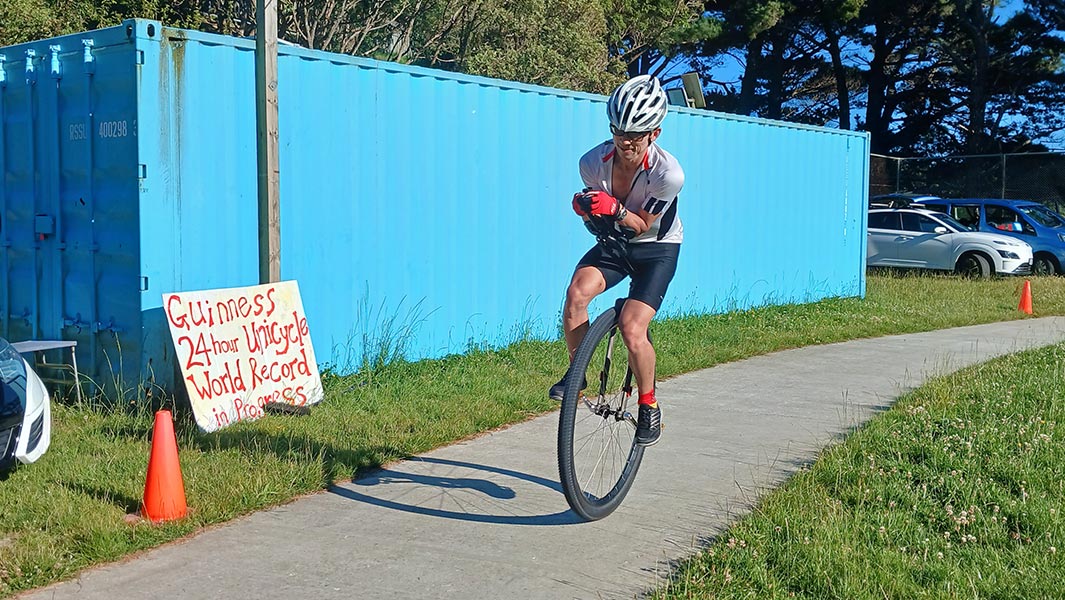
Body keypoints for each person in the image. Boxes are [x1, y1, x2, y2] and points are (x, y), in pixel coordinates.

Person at [549, 74, 685, 447]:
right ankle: (578, 376)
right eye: (618, 132)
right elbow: (601, 224)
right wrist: (587, 212)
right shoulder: (591, 162)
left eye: (635, 135)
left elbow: (641, 223)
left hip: (656, 247)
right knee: (576, 295)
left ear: (654, 133)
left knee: (631, 328)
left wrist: (613, 207)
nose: (625, 142)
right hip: (616, 242)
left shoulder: (668, 174)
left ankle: (649, 404)